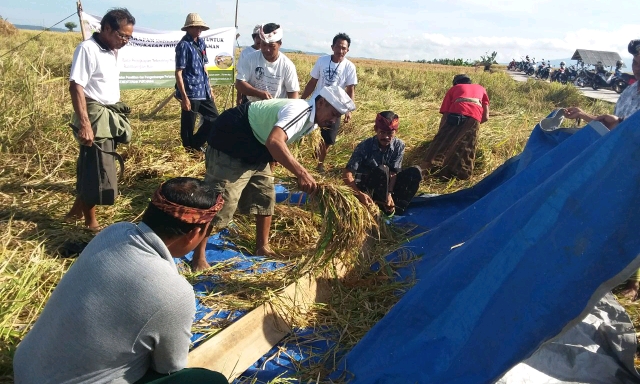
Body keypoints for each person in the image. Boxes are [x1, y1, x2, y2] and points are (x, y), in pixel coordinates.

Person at [14, 178, 228, 384]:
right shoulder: (175, 292)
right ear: (195, 234)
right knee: (209, 380)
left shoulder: (113, 232)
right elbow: (169, 367)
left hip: (26, 369)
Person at [191, 85, 356, 271]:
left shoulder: (313, 120)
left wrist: (272, 161)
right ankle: (198, 257)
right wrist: (302, 173)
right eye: (333, 114)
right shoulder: (301, 111)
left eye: (337, 117)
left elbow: (279, 139)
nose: (333, 120)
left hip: (258, 147)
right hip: (232, 138)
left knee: (265, 195)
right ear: (321, 102)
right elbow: (275, 141)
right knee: (221, 201)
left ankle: (262, 247)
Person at [564, 39, 640, 300]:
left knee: (634, 221)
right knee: (615, 216)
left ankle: (633, 282)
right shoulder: (630, 92)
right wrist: (586, 117)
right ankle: (611, 271)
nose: (638, 68)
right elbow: (618, 123)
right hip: (621, 163)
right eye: (635, 63)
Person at [63, 8, 136, 232]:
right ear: (105, 28)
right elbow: (76, 87)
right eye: (122, 35)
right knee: (96, 169)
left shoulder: (112, 50)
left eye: (128, 37)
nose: (125, 41)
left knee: (92, 165)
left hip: (108, 115)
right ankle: (90, 222)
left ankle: (74, 213)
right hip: (95, 117)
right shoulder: (88, 49)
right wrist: (85, 124)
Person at [343, 111, 422, 216]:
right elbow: (347, 174)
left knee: (415, 172)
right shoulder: (364, 146)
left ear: (396, 131)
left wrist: (389, 194)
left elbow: (394, 172)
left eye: (390, 133)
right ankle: (378, 205)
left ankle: (394, 208)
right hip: (368, 186)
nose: (386, 137)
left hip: (388, 185)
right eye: (382, 132)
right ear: (376, 129)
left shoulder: (399, 146)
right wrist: (359, 194)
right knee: (382, 169)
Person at [301, 33, 357, 173]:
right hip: (317, 104)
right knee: (304, 131)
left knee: (328, 139)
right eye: (338, 47)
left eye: (344, 48)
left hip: (335, 108)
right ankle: (300, 159)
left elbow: (350, 89)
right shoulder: (322, 61)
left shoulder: (349, 67)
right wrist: (301, 99)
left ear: (348, 50)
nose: (340, 50)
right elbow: (313, 82)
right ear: (332, 47)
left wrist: (348, 110)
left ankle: (319, 164)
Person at [421, 74, 490, 180]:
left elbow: (445, 115)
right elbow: (485, 117)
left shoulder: (454, 88)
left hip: (456, 113)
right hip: (474, 117)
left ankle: (423, 172)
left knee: (440, 144)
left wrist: (441, 133)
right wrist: (470, 126)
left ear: (456, 83)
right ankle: (462, 177)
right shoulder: (481, 88)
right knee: (466, 148)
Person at [175, 13, 219, 151]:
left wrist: (210, 87)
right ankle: (189, 149)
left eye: (200, 27)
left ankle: (196, 143)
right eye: (195, 27)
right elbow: (179, 72)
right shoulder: (184, 45)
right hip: (191, 91)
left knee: (214, 118)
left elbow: (204, 67)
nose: (198, 29)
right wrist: (184, 97)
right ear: (188, 28)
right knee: (188, 123)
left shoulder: (201, 43)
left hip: (203, 90)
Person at [235, 23, 299, 103]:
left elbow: (293, 93)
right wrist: (258, 93)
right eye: (264, 45)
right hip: (251, 106)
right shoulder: (250, 58)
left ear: (279, 44)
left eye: (271, 46)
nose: (267, 49)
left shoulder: (287, 65)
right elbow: (239, 83)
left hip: (275, 109)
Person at [236, 24, 262, 106]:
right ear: (254, 38)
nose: (259, 40)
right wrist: (239, 97)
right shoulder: (246, 53)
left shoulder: (266, 53)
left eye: (261, 38)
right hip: (248, 93)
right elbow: (240, 77)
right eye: (257, 37)